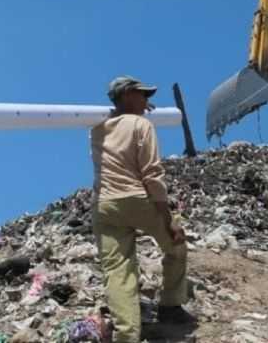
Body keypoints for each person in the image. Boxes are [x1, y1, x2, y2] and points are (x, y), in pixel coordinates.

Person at [90, 76, 192, 343]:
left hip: (106, 204)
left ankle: (127, 337)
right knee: (176, 246)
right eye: (143, 95)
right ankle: (170, 306)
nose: (148, 102)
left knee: (118, 271)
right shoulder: (141, 124)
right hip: (137, 198)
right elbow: (152, 174)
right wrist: (169, 220)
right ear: (126, 95)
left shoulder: (96, 127)